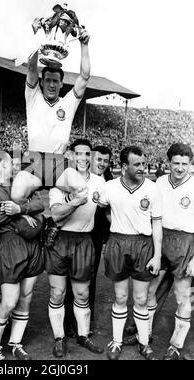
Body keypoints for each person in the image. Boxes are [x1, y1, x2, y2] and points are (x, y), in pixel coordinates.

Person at [11, 19, 91, 205]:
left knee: (82, 191)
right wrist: (36, 35)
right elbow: (31, 68)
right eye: (48, 80)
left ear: (62, 83)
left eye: (55, 81)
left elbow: (84, 77)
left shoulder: (68, 103)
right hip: (34, 160)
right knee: (16, 195)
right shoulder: (33, 97)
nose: (52, 84)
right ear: (42, 82)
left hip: (58, 163)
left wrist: (84, 45)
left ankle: (56, 220)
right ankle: (34, 212)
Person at [99, 146, 162, 360]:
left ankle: (144, 343)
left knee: (141, 298)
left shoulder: (152, 188)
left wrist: (157, 255)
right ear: (124, 167)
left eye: (144, 164)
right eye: (137, 165)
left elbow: (157, 223)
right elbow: (103, 206)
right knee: (120, 296)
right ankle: (116, 342)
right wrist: (117, 223)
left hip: (144, 245)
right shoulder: (110, 186)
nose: (142, 168)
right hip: (117, 242)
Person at [45, 138, 105, 358]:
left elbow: (108, 204)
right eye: (78, 154)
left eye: (87, 154)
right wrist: (75, 202)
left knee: (81, 293)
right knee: (58, 292)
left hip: (84, 240)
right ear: (70, 155)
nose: (83, 158)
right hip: (60, 239)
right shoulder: (59, 181)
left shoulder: (99, 182)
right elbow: (56, 214)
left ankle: (83, 335)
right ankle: (59, 338)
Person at [0, 151, 45, 360]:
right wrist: (22, 215)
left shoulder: (22, 183)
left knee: (26, 297)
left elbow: (40, 204)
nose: (16, 167)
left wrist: (20, 208)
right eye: (11, 163)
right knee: (9, 300)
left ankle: (16, 343)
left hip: (32, 245)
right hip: (8, 245)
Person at [147, 143, 194, 360]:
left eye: (185, 163)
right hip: (161, 239)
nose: (180, 168)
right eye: (176, 163)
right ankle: (143, 334)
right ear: (169, 163)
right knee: (151, 290)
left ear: (190, 163)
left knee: (182, 296)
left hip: (186, 243)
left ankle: (175, 346)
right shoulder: (161, 182)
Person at [64, 145, 113, 337]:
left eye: (105, 161)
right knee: (68, 279)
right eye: (98, 159)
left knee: (88, 279)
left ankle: (83, 322)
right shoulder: (72, 177)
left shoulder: (106, 182)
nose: (101, 164)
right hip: (72, 233)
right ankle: (67, 321)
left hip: (95, 236)